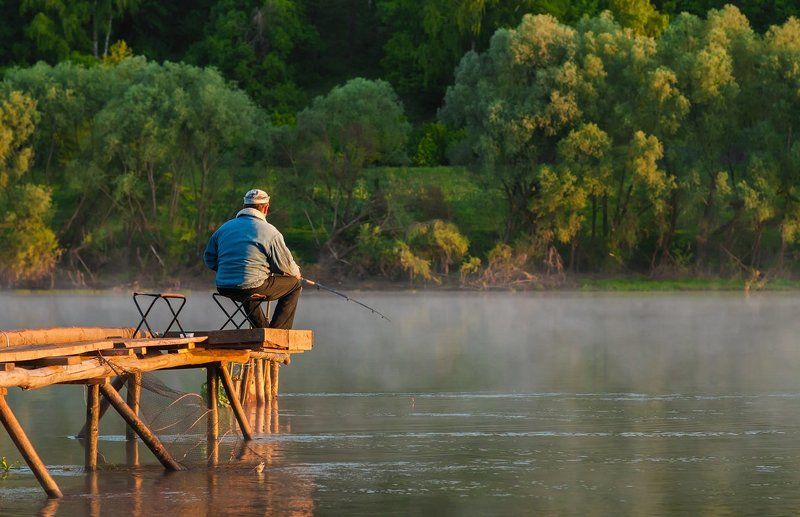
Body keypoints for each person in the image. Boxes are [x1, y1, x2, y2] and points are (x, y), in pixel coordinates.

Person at [203, 189, 302, 329]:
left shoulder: (223, 229)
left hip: (224, 287)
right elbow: (286, 266)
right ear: (266, 208)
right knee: (294, 284)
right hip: (250, 286)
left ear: (244, 206)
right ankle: (278, 332)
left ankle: (262, 329)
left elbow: (209, 259)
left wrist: (229, 270)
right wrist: (297, 272)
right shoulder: (270, 231)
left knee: (249, 285)